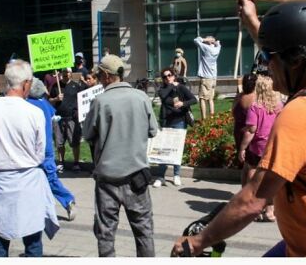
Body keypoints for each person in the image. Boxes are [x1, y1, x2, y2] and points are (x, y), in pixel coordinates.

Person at [172, 0, 306, 257]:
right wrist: (252, 21)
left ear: (297, 62)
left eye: (269, 57)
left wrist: (197, 242)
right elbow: (291, 55)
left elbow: (253, 200)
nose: (264, 66)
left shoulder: (303, 114)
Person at [0, 60, 59, 257]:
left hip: (1, 183)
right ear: (26, 84)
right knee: (32, 242)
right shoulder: (35, 113)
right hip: (28, 182)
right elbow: (41, 153)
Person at [82, 54, 159, 257]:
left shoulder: (100, 101)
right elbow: (153, 131)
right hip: (137, 177)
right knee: (144, 232)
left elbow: (88, 134)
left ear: (107, 76)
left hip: (107, 178)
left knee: (106, 234)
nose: (98, 78)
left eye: (99, 75)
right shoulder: (141, 97)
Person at [27, 78, 77, 221]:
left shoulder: (26, 105)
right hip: (47, 149)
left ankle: (35, 208)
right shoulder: (44, 104)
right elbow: (54, 116)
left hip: (32, 150)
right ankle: (68, 201)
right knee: (52, 179)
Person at [240, 74, 282, 222]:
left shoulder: (255, 107)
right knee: (270, 179)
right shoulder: (279, 106)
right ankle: (270, 210)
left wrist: (242, 148)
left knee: (252, 174)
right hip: (273, 146)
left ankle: (253, 209)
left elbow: (251, 130)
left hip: (257, 147)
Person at [153, 67, 196, 188]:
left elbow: (194, 99)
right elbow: (164, 97)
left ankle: (176, 175)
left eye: (169, 75)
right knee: (164, 149)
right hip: (166, 121)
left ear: (174, 75)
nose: (168, 78)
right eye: (165, 77)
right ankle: (161, 177)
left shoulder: (181, 87)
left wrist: (183, 103)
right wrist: (172, 86)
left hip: (179, 121)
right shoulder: (162, 89)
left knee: (177, 149)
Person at [48, 67, 87, 172]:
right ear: (61, 73)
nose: (66, 74)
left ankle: (76, 162)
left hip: (72, 119)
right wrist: (56, 99)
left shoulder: (76, 86)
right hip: (59, 118)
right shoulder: (56, 85)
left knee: (74, 142)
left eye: (68, 72)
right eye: (64, 72)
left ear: (71, 74)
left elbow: (83, 98)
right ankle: (61, 162)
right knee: (59, 142)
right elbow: (49, 100)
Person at [231, 73, 258, 169]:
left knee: (241, 156)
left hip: (238, 130)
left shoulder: (238, 97)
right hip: (251, 132)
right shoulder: (257, 98)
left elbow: (233, 112)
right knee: (251, 160)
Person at [194, 36, 221, 119]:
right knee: (210, 99)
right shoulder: (217, 49)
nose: (205, 40)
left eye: (207, 38)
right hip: (213, 78)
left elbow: (196, 40)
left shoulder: (206, 48)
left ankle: (204, 119)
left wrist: (205, 40)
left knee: (202, 98)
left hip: (206, 78)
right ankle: (212, 118)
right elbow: (218, 44)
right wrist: (215, 41)